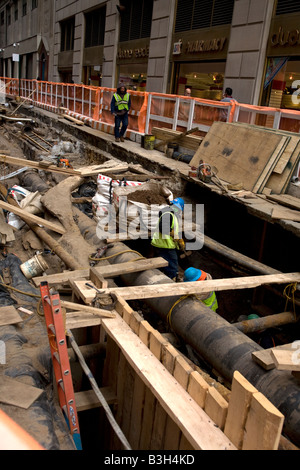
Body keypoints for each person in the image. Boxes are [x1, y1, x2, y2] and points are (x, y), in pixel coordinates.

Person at [151, 198, 185, 281]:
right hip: (165, 246)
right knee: (172, 267)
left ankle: (161, 278)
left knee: (162, 265)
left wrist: (178, 241)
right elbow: (163, 228)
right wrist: (176, 237)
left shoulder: (171, 214)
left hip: (164, 244)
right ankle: (171, 281)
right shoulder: (168, 214)